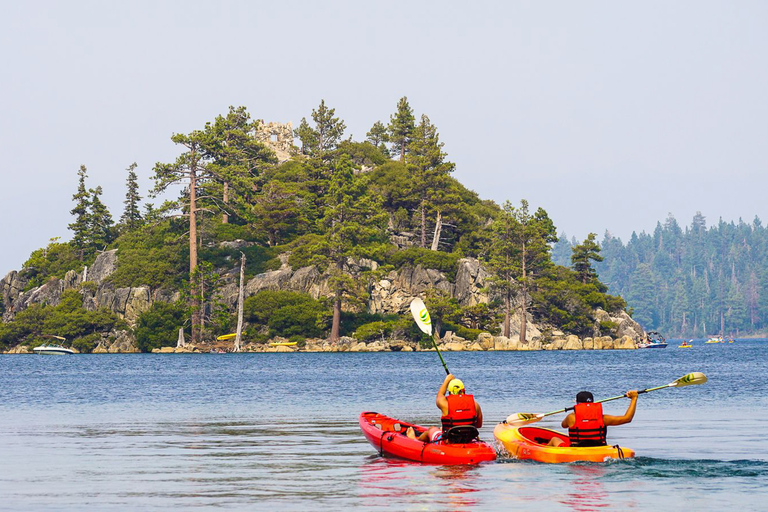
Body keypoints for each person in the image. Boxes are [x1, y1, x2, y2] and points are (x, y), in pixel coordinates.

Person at [406, 373, 483, 443]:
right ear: (464, 390)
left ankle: (414, 440)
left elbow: (439, 396)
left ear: (450, 392)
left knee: (431, 429)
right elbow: (479, 425)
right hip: (468, 439)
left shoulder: (446, 404)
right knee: (441, 428)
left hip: (449, 441)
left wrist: (447, 380)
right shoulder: (475, 405)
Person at [548, 389, 638, 447]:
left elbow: (563, 425)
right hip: (599, 448)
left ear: (577, 404)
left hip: (577, 450)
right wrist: (634, 398)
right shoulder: (603, 418)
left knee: (554, 439)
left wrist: (576, 412)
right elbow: (627, 418)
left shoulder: (571, 418)